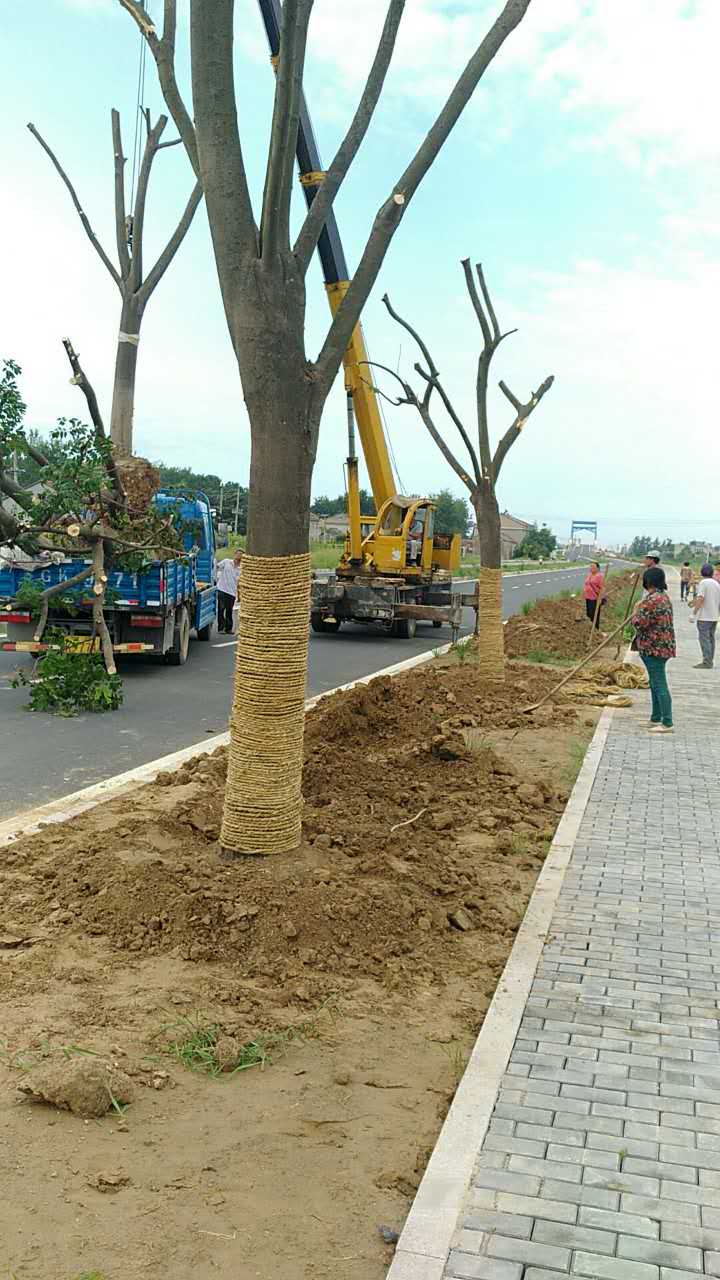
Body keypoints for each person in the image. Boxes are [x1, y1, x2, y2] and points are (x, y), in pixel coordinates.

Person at [631, 566, 675, 733]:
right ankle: (655, 718)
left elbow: (639, 623)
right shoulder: (663, 597)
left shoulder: (651, 600)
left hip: (654, 649)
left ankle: (667, 722)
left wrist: (635, 611)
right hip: (662, 647)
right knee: (654, 683)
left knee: (659, 683)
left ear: (648, 581)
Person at [691, 563, 720, 669]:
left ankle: (706, 662)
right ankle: (710, 660)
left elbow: (701, 599)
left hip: (704, 616)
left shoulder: (703, 583)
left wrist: (693, 613)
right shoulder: (716, 584)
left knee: (704, 639)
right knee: (711, 639)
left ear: (702, 572)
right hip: (714, 616)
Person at [215, 548, 243, 634]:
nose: (238, 556)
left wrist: (239, 595)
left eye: (240, 555)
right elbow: (217, 567)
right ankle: (221, 628)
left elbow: (240, 583)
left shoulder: (241, 569)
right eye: (237, 554)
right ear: (234, 554)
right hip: (222, 589)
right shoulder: (226, 562)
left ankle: (228, 628)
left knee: (229, 611)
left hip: (232, 591)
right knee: (221, 609)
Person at [583, 561, 606, 627]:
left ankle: (595, 628)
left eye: (593, 567)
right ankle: (591, 627)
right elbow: (586, 584)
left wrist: (601, 598)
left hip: (595, 598)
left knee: (594, 614)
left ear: (598, 568)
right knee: (589, 614)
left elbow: (602, 588)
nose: (591, 568)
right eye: (591, 566)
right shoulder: (589, 575)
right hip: (588, 597)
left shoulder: (599, 576)